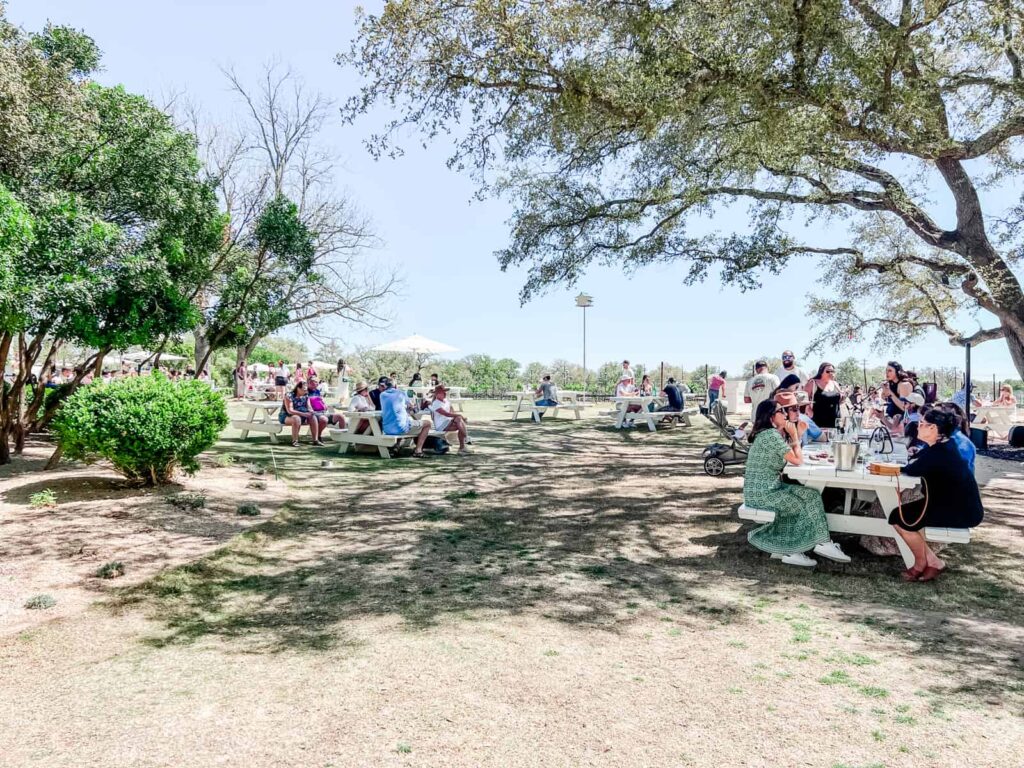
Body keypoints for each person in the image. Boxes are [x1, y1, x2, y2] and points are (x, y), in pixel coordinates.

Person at [743, 395, 850, 567]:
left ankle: (823, 543)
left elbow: (791, 456)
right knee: (799, 505)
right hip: (762, 494)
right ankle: (793, 550)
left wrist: (796, 435)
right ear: (771, 416)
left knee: (812, 494)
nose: (785, 414)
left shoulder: (770, 435)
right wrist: (794, 435)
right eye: (781, 411)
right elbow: (797, 460)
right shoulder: (770, 435)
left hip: (772, 487)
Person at [891, 408, 984, 582]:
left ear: (933, 428)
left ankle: (920, 564)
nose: (918, 427)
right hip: (954, 504)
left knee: (900, 518)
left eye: (921, 424)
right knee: (899, 515)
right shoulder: (944, 445)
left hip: (960, 511)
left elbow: (911, 470)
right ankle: (933, 562)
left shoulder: (939, 452)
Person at [379, 379, 431, 454]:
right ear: (396, 386)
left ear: (385, 386)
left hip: (387, 429)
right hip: (401, 428)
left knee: (401, 420)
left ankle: (396, 446)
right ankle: (418, 450)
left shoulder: (382, 395)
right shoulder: (401, 393)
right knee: (427, 423)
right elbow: (412, 407)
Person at [418, 384, 469, 454]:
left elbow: (452, 412)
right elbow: (446, 414)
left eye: (445, 392)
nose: (444, 393)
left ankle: (462, 447)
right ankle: (465, 440)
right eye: (442, 392)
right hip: (441, 425)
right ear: (437, 394)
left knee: (460, 422)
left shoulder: (446, 401)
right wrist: (460, 416)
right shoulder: (436, 403)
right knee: (460, 420)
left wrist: (458, 418)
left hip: (448, 421)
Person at [279, 381, 325, 447]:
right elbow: (290, 411)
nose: (306, 391)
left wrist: (311, 412)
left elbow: (309, 407)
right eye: (304, 390)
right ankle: (295, 441)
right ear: (298, 388)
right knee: (296, 418)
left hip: (302, 415)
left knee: (313, 417)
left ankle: (315, 440)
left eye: (306, 390)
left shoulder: (306, 395)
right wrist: (304, 414)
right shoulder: (289, 395)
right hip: (286, 416)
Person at [805, 362, 843, 428]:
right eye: (828, 371)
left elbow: (838, 401)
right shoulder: (813, 383)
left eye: (832, 371)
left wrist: (843, 397)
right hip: (819, 421)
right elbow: (803, 400)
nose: (831, 373)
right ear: (821, 372)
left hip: (836, 421)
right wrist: (810, 412)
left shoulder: (835, 384)